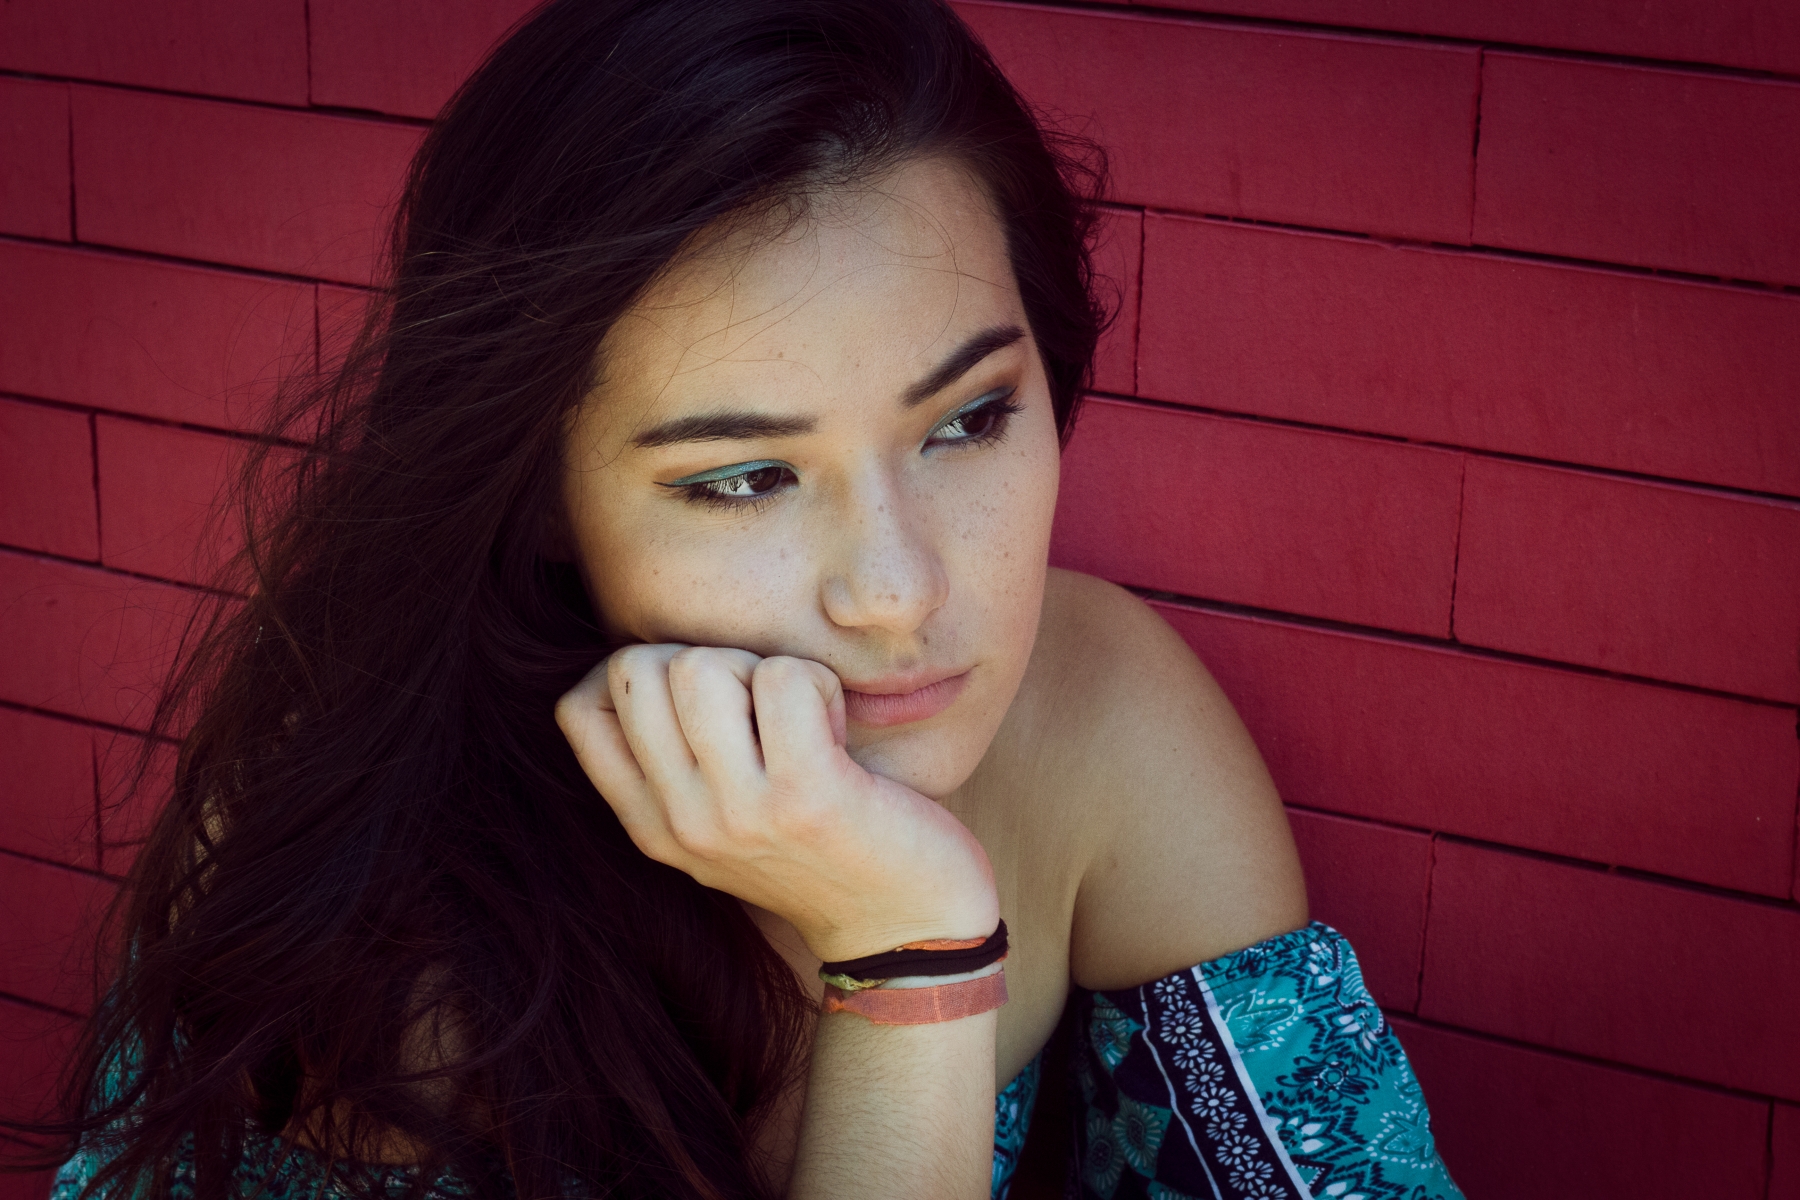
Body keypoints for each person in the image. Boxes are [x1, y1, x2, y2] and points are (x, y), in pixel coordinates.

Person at [26, 2, 1463, 1198]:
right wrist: (911, 951)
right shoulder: (386, 901)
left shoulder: (1097, 719)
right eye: (740, 480)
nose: (898, 591)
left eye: (969, 420)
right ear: (541, 500)